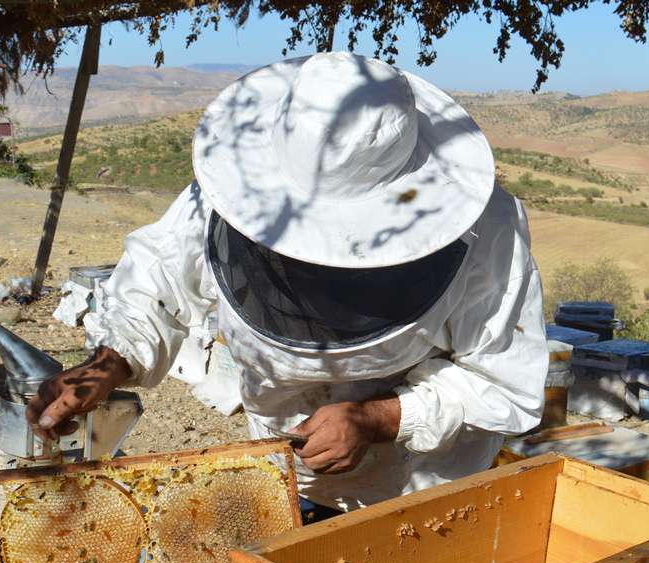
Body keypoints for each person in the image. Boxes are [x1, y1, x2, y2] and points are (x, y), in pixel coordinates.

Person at [29, 52, 549, 513]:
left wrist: (379, 417)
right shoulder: (238, 188)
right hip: (284, 466)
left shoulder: (488, 229)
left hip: (423, 488)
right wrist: (107, 365)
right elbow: (160, 277)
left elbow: (504, 382)